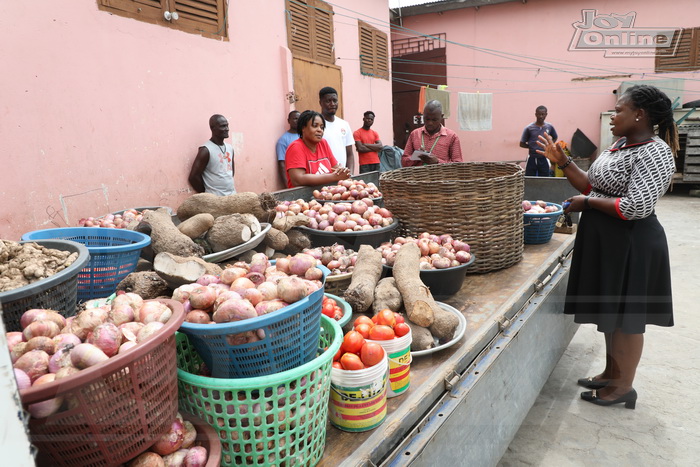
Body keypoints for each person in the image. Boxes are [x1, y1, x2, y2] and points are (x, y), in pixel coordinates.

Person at [537, 84, 678, 409]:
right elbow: (592, 183)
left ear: (639, 115)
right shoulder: (620, 145)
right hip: (609, 243)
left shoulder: (655, 152)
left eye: (619, 110)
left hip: (633, 244)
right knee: (612, 315)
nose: (613, 116)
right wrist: (564, 161)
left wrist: (588, 203)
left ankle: (623, 387)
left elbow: (635, 207)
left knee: (628, 320)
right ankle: (611, 374)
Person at [285, 110, 351, 188]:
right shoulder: (296, 147)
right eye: (315, 126)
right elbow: (298, 179)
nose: (320, 130)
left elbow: (336, 168)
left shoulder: (323, 143)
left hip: (326, 194)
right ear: (303, 128)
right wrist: (334, 177)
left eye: (322, 127)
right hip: (302, 198)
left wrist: (341, 171)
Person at [402, 100, 463, 166]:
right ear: (423, 115)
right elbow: (404, 162)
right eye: (427, 119)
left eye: (434, 120)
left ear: (441, 117)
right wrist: (417, 156)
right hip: (418, 176)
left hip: (440, 176)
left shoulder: (452, 137)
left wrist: (437, 162)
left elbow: (458, 165)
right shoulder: (414, 134)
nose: (430, 123)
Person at [188, 114, 235, 195]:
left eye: (227, 126)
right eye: (223, 126)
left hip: (232, 196)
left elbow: (231, 172)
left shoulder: (230, 148)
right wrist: (208, 194)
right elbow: (193, 177)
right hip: (215, 201)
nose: (227, 129)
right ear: (213, 128)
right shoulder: (206, 150)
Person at [319, 87, 355, 174]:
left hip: (342, 176)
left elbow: (350, 154)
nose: (332, 104)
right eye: (328, 101)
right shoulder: (316, 125)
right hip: (323, 176)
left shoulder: (344, 124)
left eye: (335, 101)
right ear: (320, 103)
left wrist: (350, 174)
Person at [521, 105, 558, 176]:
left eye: (543, 114)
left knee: (545, 178)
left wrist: (549, 145)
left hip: (544, 157)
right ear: (535, 114)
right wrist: (532, 146)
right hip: (532, 157)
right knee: (530, 179)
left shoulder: (549, 127)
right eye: (539, 114)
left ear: (546, 114)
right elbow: (522, 143)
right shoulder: (529, 128)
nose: (541, 116)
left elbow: (555, 137)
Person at [276, 110, 300, 185]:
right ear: (289, 121)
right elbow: (282, 163)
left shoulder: (305, 136)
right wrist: (287, 185)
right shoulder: (283, 140)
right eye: (295, 119)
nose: (297, 121)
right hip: (293, 179)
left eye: (299, 119)